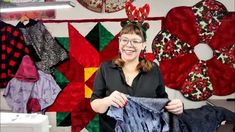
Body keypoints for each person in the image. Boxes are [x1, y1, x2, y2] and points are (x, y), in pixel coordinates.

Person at [90, 21, 184, 132]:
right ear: (119, 42)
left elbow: (162, 102)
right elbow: (95, 104)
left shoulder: (154, 69)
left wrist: (177, 106)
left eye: (135, 41)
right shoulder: (105, 68)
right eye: (124, 40)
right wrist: (107, 101)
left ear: (143, 45)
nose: (129, 45)